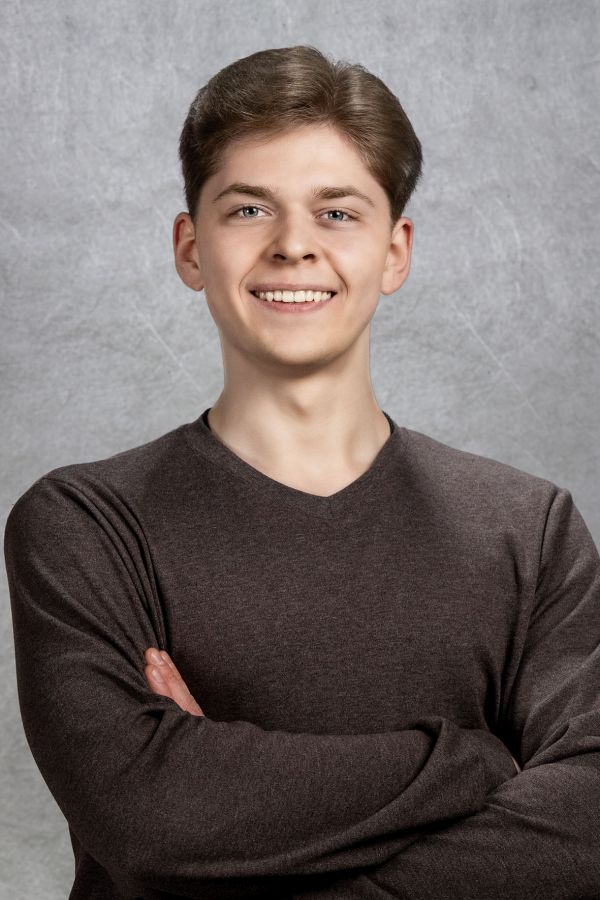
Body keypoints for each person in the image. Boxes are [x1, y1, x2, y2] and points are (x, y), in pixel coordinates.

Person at [4, 45, 600, 900]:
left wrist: (230, 834)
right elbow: (149, 814)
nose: (293, 246)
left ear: (394, 252)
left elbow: (585, 827)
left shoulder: (529, 530)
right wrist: (474, 761)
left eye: (337, 213)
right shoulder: (85, 524)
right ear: (190, 248)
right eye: (249, 209)